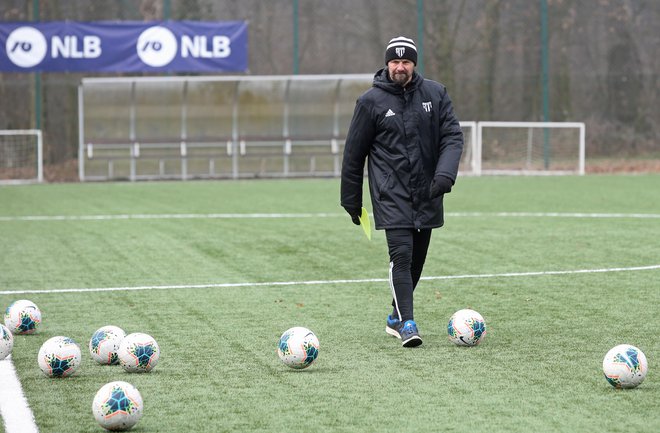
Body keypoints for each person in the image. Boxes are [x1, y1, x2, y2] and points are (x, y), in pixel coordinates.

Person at [340, 36, 464, 347]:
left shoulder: (435, 94)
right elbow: (354, 154)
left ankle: (395, 315)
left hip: (429, 191)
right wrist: (351, 199)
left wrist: (445, 176)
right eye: (394, 62)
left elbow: (452, 136)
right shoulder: (370, 102)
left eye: (405, 61)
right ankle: (407, 323)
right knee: (402, 255)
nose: (399, 67)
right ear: (386, 64)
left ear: (414, 64)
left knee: (417, 261)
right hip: (390, 193)